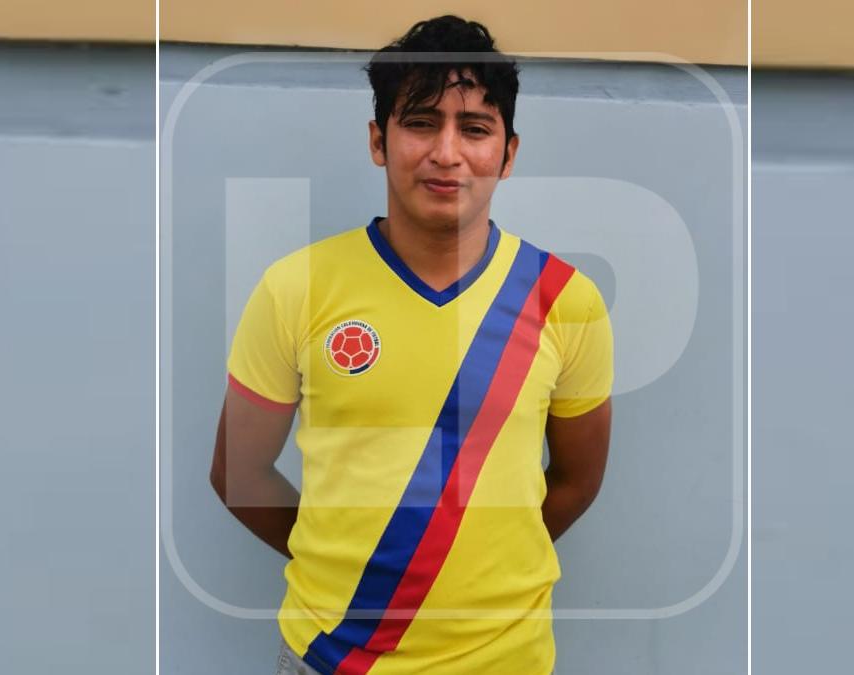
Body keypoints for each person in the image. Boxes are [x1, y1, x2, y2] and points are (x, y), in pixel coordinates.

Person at [210, 15, 613, 675]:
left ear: (508, 153)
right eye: (421, 122)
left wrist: (471, 570)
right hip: (332, 657)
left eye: (474, 128)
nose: (446, 152)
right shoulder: (296, 288)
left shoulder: (566, 300)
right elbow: (237, 472)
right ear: (379, 140)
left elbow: (576, 480)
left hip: (505, 662)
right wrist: (345, 568)